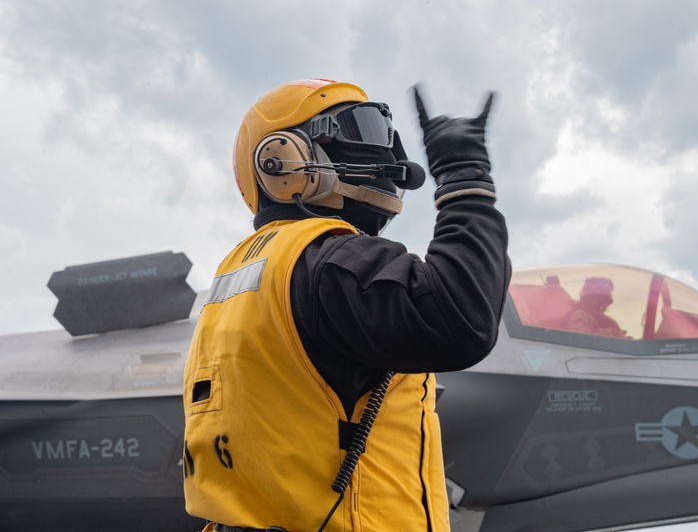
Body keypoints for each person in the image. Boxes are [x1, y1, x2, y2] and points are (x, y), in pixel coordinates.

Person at [182, 78, 511, 532]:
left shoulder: (241, 274)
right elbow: (461, 319)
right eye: (361, 132)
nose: (392, 158)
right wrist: (465, 180)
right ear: (281, 158)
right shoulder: (328, 260)